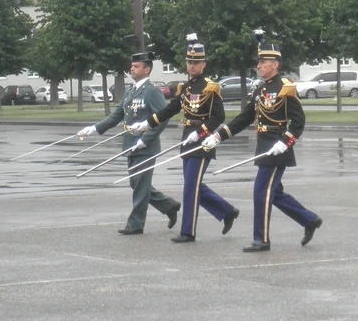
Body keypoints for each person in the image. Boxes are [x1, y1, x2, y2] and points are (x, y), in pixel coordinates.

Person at [202, 41, 321, 252]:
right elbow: (244, 118)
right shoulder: (260, 89)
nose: (258, 65)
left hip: (277, 150)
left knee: (260, 192)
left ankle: (261, 239)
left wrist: (285, 143)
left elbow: (298, 122)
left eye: (263, 62)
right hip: (264, 147)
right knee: (274, 194)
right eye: (259, 61)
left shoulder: (286, 87)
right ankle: (309, 219)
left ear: (275, 64)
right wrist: (218, 136)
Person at [128, 36, 239, 243]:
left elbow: (218, 116)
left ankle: (188, 231)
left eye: (196, 63)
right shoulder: (185, 87)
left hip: (202, 142)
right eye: (189, 62)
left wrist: (202, 131)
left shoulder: (210, 87)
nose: (192, 66)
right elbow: (170, 109)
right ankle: (227, 211)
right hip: (187, 140)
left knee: (190, 187)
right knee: (193, 184)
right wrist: (147, 123)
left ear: (203, 65)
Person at [78, 51, 179, 235]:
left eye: (136, 66)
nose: (132, 68)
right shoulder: (130, 90)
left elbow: (162, 119)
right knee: (136, 184)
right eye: (132, 66)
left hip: (146, 147)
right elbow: (117, 115)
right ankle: (169, 205)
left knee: (140, 186)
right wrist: (95, 128)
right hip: (130, 144)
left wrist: (144, 140)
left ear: (147, 70)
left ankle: (135, 224)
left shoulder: (152, 92)